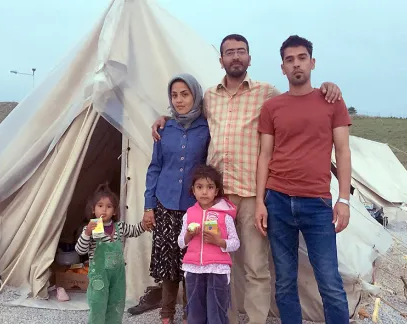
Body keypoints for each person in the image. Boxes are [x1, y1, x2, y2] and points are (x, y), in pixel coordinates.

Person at [151, 34, 343, 324]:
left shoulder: (267, 93)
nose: (235, 57)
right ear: (222, 60)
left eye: (241, 52)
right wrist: (163, 118)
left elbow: (299, 100)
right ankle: (222, 318)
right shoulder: (210, 97)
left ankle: (255, 320)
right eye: (230, 53)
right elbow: (186, 113)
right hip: (216, 197)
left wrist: (327, 87)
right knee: (221, 265)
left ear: (249, 58)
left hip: (253, 194)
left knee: (256, 267)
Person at [255, 35, 351, 324]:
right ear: (282, 68)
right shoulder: (272, 108)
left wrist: (343, 199)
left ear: (312, 62)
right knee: (284, 281)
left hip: (317, 202)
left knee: (330, 283)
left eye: (301, 58)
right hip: (278, 200)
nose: (296, 64)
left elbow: (343, 151)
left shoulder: (331, 101)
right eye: (289, 59)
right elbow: (265, 155)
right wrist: (260, 202)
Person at [142, 73, 210, 324]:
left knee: (191, 264)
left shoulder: (207, 127)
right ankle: (166, 314)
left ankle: (190, 315)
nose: (179, 100)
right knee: (169, 264)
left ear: (195, 95)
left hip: (194, 206)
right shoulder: (164, 129)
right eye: (174, 95)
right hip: (165, 204)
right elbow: (154, 168)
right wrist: (149, 206)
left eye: (185, 94)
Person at [75, 183, 148, 324]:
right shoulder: (92, 228)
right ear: (93, 209)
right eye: (100, 205)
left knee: (116, 304)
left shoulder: (119, 227)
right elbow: (80, 250)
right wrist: (87, 233)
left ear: (114, 211)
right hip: (99, 277)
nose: (104, 210)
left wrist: (144, 225)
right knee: (98, 305)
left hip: (117, 276)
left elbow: (134, 231)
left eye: (109, 206)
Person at [178, 165, 240, 324]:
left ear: (216, 191)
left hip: (218, 269)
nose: (204, 192)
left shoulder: (224, 216)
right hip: (193, 268)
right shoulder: (189, 214)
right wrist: (188, 235)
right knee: (195, 311)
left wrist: (219, 242)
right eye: (199, 187)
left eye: (210, 187)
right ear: (193, 190)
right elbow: (180, 243)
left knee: (216, 311)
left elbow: (235, 243)